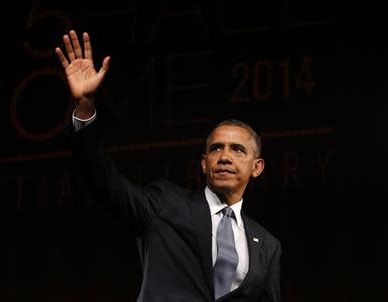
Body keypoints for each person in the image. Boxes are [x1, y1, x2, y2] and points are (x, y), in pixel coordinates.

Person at [56, 29, 281, 302]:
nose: (224, 156)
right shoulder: (166, 204)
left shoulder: (267, 244)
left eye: (237, 150)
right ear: (203, 163)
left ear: (257, 167)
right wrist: (84, 109)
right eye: (216, 148)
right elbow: (107, 186)